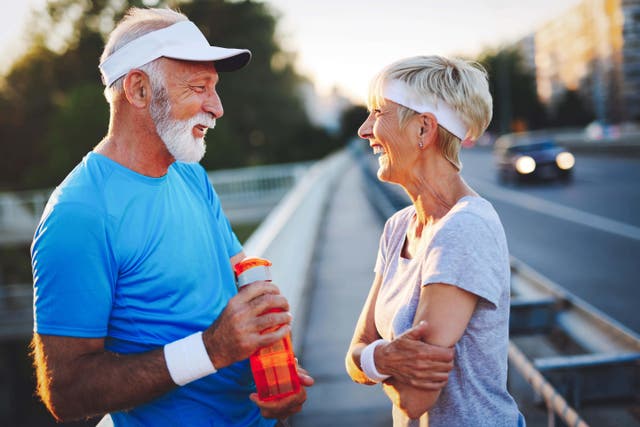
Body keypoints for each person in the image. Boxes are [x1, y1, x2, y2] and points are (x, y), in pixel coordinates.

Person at [30, 7, 313, 426]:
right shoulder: (79, 214)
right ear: (139, 90)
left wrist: (277, 372)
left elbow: (241, 277)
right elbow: (67, 393)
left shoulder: (189, 174)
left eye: (213, 88)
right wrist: (212, 349)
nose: (216, 107)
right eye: (199, 87)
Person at [345, 55, 526, 426]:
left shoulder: (465, 228)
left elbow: (413, 398)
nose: (364, 130)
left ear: (423, 130)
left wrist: (372, 359)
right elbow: (353, 354)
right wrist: (384, 359)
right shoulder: (398, 228)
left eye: (378, 112)